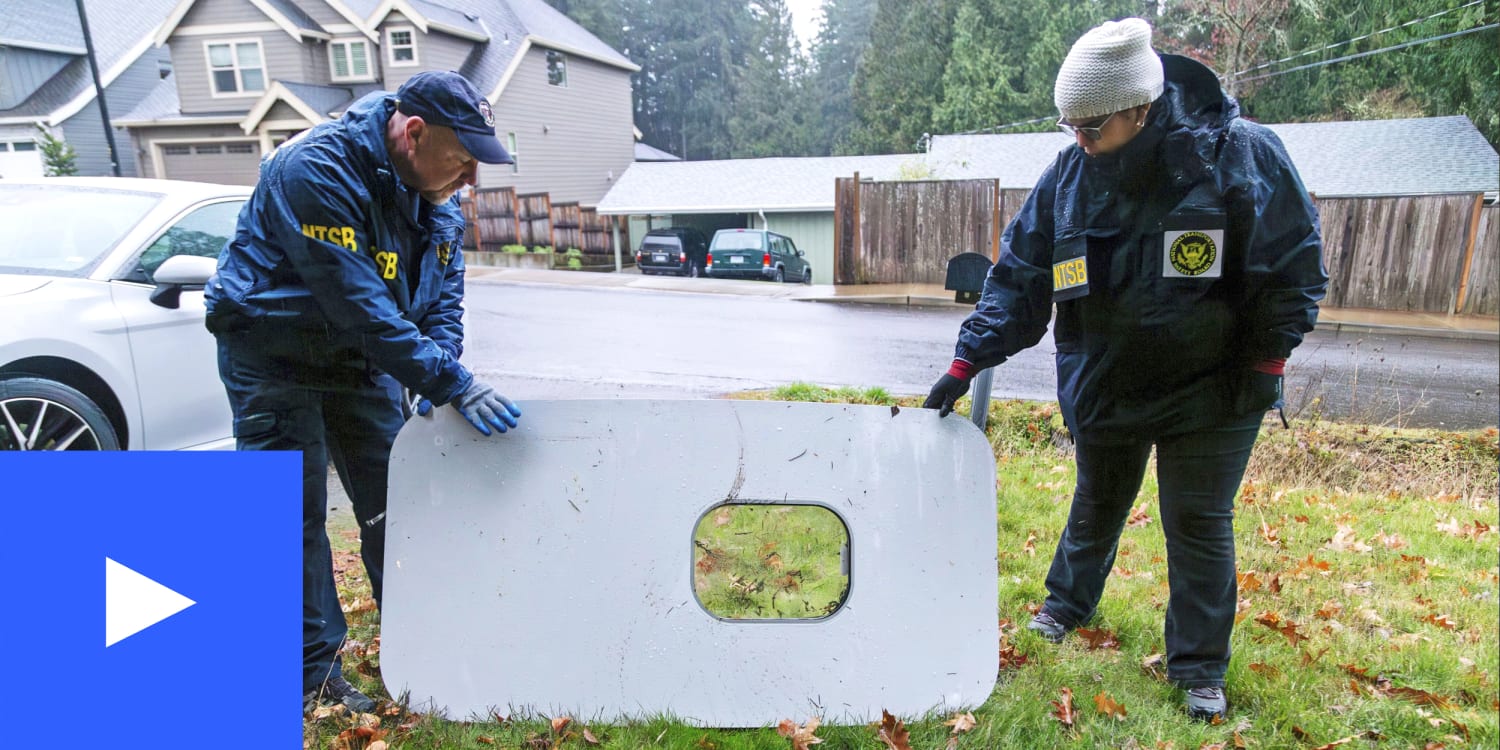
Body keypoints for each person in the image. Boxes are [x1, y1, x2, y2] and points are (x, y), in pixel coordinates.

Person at [923, 18, 1327, 721]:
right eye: (1068, 125)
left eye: (1093, 126)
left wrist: (1267, 360)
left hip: (1215, 388)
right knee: (1096, 503)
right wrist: (968, 358)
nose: (1077, 140)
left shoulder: (1240, 156)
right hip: (1107, 379)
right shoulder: (1069, 176)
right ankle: (1065, 606)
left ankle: (1199, 669)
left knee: (1198, 522)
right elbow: (1020, 276)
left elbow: (1294, 269)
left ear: (1140, 108)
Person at [205, 71, 525, 713]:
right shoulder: (315, 168)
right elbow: (360, 304)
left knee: (397, 506)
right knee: (291, 516)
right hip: (274, 350)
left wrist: (442, 369)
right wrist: (449, 381)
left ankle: (422, 645)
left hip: (359, 359)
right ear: (413, 134)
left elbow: (442, 300)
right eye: (462, 161)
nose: (471, 181)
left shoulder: (436, 197)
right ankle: (308, 678)